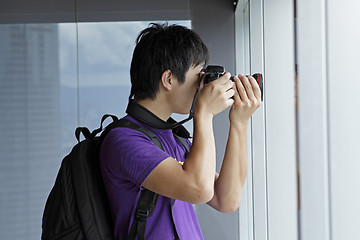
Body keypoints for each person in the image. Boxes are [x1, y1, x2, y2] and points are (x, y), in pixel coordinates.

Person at [100, 23, 261, 240]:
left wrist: (239, 123)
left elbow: (227, 199)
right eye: (199, 76)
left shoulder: (173, 137)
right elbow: (199, 190)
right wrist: (204, 114)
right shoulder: (124, 141)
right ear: (169, 79)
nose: (202, 86)